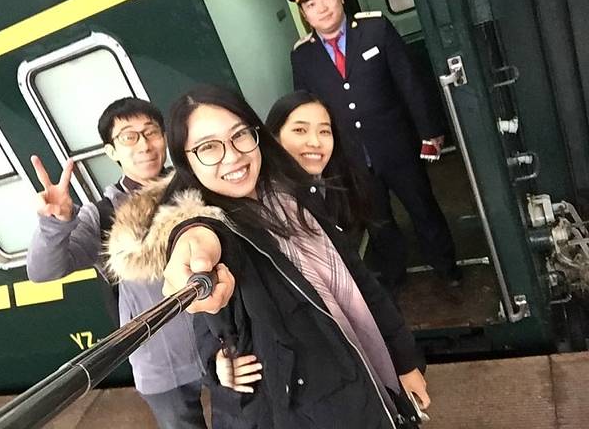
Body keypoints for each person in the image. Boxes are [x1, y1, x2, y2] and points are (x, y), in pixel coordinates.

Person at [106, 85, 430, 428]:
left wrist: (405, 361)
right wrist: (217, 361)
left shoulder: (295, 196)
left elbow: (360, 280)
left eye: (239, 135)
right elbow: (206, 285)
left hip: (367, 378)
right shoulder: (213, 229)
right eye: (208, 147)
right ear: (187, 161)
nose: (232, 156)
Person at [26, 98, 207, 429]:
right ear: (111, 151)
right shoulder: (103, 215)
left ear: (164, 137)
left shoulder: (199, 187)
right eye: (128, 137)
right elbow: (43, 272)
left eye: (151, 132)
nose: (144, 145)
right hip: (161, 366)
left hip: (223, 349)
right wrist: (54, 224)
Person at [286, 0, 462, 285]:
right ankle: (394, 276)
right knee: (377, 220)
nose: (321, 8)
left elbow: (409, 83)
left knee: (423, 208)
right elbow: (306, 111)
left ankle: (446, 268)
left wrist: (430, 132)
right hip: (351, 157)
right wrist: (315, 158)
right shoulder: (302, 55)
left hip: (397, 145)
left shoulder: (375, 29)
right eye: (310, 4)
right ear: (304, 14)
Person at [265, 90, 407, 289]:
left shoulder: (332, 182)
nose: (315, 142)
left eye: (324, 131)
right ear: (274, 137)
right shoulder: (271, 204)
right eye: (300, 130)